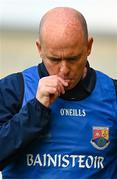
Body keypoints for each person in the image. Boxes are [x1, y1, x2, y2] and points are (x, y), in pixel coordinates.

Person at [0, 7, 117, 179]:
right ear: (40, 49)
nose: (64, 70)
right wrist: (36, 109)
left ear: (89, 46)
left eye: (73, 58)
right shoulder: (13, 89)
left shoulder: (112, 93)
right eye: (54, 59)